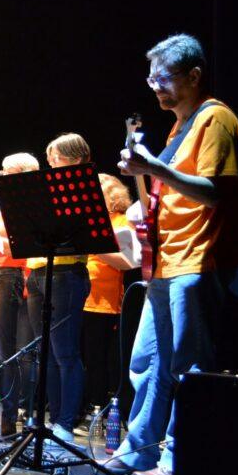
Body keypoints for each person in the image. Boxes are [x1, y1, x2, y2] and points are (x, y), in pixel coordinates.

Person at [107, 33, 238, 475]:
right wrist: (144, 201)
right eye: (151, 79)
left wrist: (154, 168)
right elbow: (172, 191)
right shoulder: (178, 127)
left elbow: (215, 192)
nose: (155, 87)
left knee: (188, 365)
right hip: (166, 260)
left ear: (193, 76)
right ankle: (137, 450)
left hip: (198, 258)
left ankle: (180, 458)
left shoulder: (216, 119)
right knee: (146, 362)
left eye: (163, 78)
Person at [23, 134, 93, 444]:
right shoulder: (46, 190)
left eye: (57, 160)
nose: (51, 165)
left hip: (67, 272)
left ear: (76, 160)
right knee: (46, 353)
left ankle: (66, 422)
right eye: (49, 160)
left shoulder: (83, 190)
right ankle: (49, 420)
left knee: (65, 352)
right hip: (40, 270)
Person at [0, 152, 40, 436]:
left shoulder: (29, 201)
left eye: (7, 171)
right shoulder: (1, 204)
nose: (1, 176)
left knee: (6, 349)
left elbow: (23, 240)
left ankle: (7, 415)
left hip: (9, 273)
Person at [80, 174, 137, 417]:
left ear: (112, 196)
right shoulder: (90, 220)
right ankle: (82, 407)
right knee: (80, 355)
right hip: (79, 294)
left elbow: (128, 261)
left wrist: (94, 247)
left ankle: (98, 408)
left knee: (97, 357)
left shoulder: (122, 221)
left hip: (103, 300)